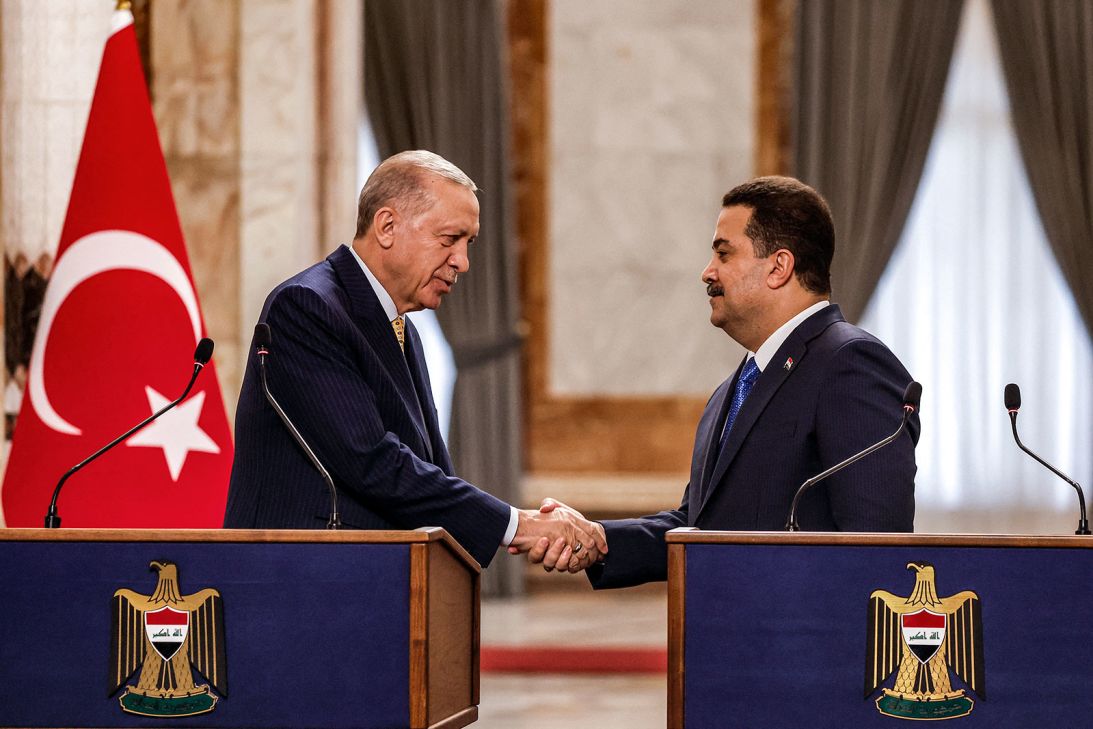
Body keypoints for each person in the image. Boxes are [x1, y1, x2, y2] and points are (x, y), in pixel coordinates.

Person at [224, 150, 605, 569]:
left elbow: (428, 469)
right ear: (387, 226)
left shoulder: (402, 329)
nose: (462, 261)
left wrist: (510, 524)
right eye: (449, 239)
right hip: (298, 577)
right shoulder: (308, 307)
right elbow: (370, 461)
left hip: (372, 579)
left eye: (468, 243)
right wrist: (518, 525)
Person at [530, 176, 917, 587]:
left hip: (800, 643)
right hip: (723, 639)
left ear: (779, 267)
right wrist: (600, 539)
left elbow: (876, 548)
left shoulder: (850, 363)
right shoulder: (737, 387)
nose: (707, 272)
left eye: (723, 254)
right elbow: (700, 527)